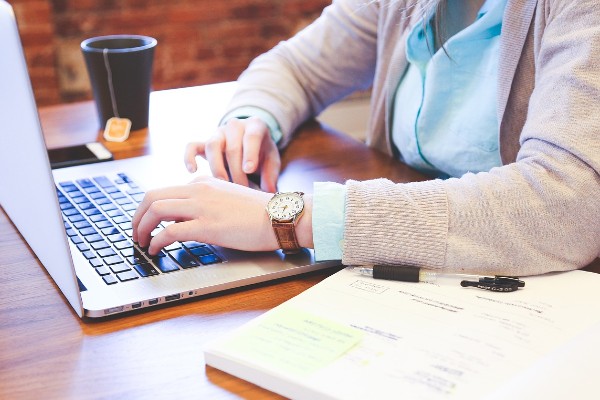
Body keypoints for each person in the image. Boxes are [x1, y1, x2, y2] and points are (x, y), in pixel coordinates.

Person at [132, 0, 600, 276]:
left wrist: (288, 218)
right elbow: (296, 66)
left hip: (535, 290)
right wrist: (252, 120)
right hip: (415, 273)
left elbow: (569, 202)